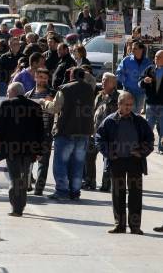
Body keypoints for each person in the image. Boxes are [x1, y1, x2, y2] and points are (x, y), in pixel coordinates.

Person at [95, 92, 154, 235]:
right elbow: (99, 139)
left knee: (135, 194)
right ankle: (119, 225)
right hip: (117, 161)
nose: (128, 108)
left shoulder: (139, 121)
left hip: (135, 161)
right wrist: (109, 153)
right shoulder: (109, 121)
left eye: (130, 105)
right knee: (117, 194)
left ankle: (135, 226)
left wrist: (141, 152)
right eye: (125, 105)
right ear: (119, 104)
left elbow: (150, 140)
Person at [0, 82, 46, 216]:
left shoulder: (6, 104)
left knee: (15, 178)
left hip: (11, 149)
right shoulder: (36, 106)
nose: (7, 94)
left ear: (14, 92)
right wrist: (40, 151)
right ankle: (20, 205)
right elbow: (41, 131)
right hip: (28, 150)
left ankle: (17, 208)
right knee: (22, 176)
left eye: (8, 92)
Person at [41, 67, 94, 200]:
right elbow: (91, 80)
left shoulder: (64, 88)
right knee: (78, 163)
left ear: (71, 76)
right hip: (84, 132)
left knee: (61, 163)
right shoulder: (90, 89)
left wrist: (44, 102)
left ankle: (62, 191)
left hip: (66, 131)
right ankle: (75, 192)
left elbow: (55, 108)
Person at [25, 68, 57, 196]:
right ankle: (27, 184)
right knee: (28, 160)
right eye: (40, 77)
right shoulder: (29, 95)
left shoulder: (53, 94)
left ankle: (39, 188)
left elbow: (57, 111)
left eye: (44, 77)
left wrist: (51, 103)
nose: (42, 79)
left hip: (45, 132)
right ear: (35, 78)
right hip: (31, 132)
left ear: (48, 79)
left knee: (43, 162)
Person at [90, 72, 119, 192]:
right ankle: (89, 182)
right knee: (89, 156)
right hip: (95, 132)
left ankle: (106, 185)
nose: (102, 82)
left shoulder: (118, 98)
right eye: (102, 80)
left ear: (113, 83)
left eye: (106, 80)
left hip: (110, 134)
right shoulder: (99, 96)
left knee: (108, 160)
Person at [138, 49, 163, 154]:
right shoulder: (149, 69)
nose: (156, 59)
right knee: (148, 127)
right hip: (150, 104)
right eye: (155, 57)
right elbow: (139, 83)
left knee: (162, 128)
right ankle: (146, 146)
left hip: (162, 104)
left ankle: (161, 147)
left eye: (159, 57)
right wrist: (144, 81)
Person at [117, 41, 151, 114]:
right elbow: (119, 73)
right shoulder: (127, 60)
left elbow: (151, 74)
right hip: (129, 91)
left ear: (141, 50)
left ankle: (134, 125)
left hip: (141, 92)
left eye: (135, 48)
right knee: (129, 111)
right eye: (132, 48)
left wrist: (148, 81)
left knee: (137, 112)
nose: (132, 50)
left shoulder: (147, 62)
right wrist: (125, 81)